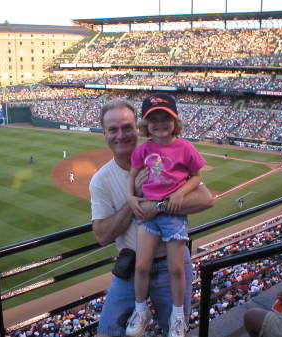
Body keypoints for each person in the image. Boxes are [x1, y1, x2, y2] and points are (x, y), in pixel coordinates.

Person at [90, 98, 214, 337]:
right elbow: (102, 235)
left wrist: (157, 206)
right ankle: (140, 311)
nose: (121, 135)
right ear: (104, 133)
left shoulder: (163, 157)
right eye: (113, 129)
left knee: (175, 331)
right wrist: (133, 198)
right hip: (132, 266)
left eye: (127, 127)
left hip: (171, 263)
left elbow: (205, 198)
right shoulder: (101, 180)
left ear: (137, 128)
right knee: (106, 332)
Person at [125, 93, 205, 337]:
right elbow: (132, 175)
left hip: (173, 216)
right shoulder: (143, 149)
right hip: (149, 213)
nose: (159, 123)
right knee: (141, 267)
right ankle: (141, 311)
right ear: (146, 124)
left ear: (175, 121)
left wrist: (180, 194)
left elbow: (197, 176)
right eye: (153, 119)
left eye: (165, 118)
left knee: (176, 269)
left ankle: (178, 317)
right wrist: (130, 197)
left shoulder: (185, 147)